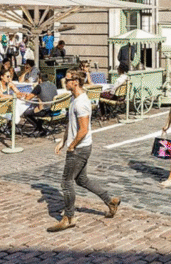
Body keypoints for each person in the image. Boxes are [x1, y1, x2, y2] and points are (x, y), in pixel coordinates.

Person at [47, 72, 120, 232]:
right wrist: (63, 140)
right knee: (82, 180)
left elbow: (84, 129)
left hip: (80, 148)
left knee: (66, 183)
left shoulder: (81, 103)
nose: (64, 81)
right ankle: (110, 200)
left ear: (75, 82)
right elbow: (71, 123)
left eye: (67, 79)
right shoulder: (74, 99)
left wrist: (72, 145)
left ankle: (69, 217)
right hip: (80, 146)